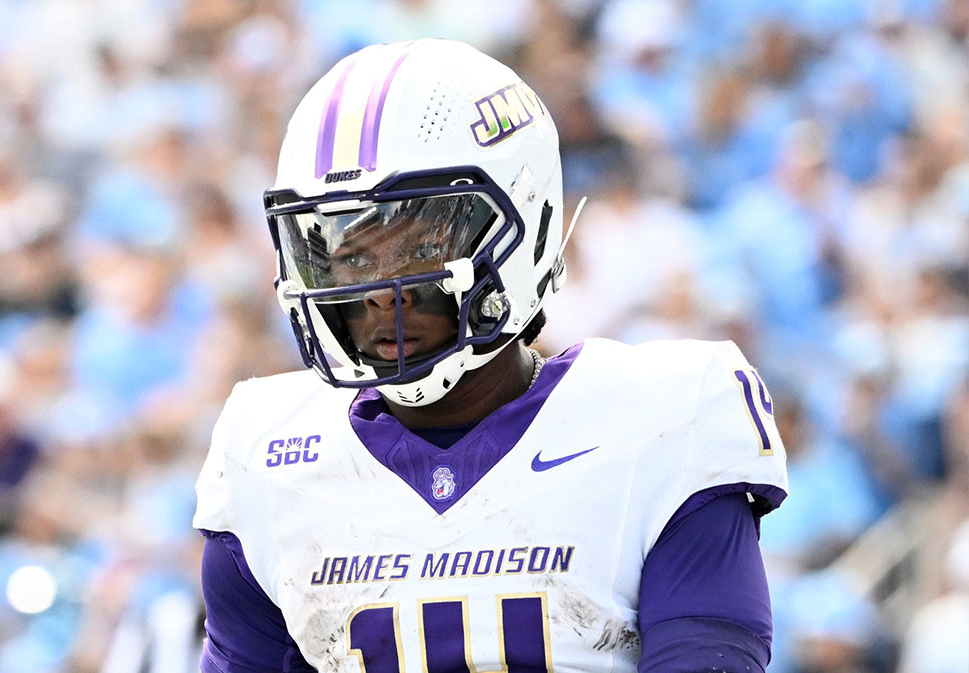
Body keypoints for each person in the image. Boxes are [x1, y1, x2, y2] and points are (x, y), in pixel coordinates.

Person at [194, 39, 788, 673]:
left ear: (525, 226)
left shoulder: (667, 419)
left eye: (418, 247)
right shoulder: (269, 456)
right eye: (354, 257)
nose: (375, 294)